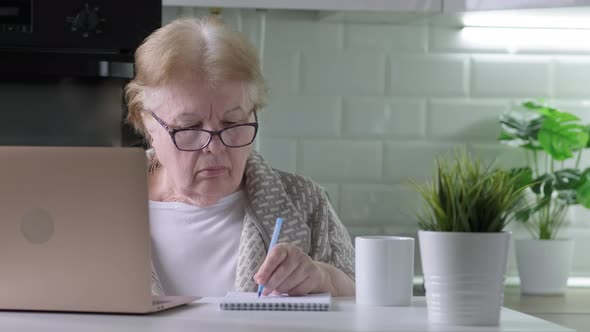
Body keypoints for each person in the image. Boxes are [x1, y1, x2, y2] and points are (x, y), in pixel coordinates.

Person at [124, 16, 355, 297]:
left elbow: (366, 301)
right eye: (189, 127)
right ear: (146, 122)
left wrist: (326, 280)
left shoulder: (306, 202)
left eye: (232, 124)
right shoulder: (101, 203)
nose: (215, 147)